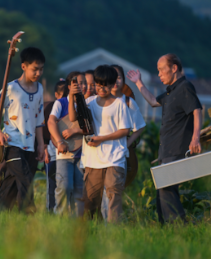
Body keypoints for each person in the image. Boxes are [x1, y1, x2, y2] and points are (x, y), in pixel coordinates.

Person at [127, 54, 202, 224]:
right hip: (166, 148)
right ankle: (167, 227)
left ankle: (177, 227)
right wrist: (138, 82)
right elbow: (153, 101)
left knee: (167, 187)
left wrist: (195, 138)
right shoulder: (172, 90)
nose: (159, 74)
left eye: (161, 69)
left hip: (177, 147)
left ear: (174, 68)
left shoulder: (185, 87)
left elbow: (197, 110)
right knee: (162, 188)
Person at [69, 65, 131, 222]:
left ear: (112, 85)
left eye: (105, 85)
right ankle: (90, 232)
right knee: (90, 199)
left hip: (114, 158)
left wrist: (101, 138)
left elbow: (124, 130)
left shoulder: (119, 104)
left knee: (113, 195)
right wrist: (71, 95)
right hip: (93, 160)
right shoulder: (88, 101)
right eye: (98, 85)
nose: (101, 88)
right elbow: (72, 117)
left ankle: (113, 232)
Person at [0, 47, 45, 213]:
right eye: (35, 69)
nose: (38, 73)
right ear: (23, 66)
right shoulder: (11, 88)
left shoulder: (40, 89)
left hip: (30, 145)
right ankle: (28, 215)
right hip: (12, 143)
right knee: (26, 178)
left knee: (11, 183)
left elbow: (39, 119)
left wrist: (41, 145)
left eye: (41, 69)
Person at [101, 64, 146, 219]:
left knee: (113, 192)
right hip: (99, 154)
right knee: (100, 195)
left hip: (119, 155)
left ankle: (112, 229)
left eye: (118, 77)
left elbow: (139, 127)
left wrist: (126, 144)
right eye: (112, 77)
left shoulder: (128, 102)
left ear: (123, 80)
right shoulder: (98, 101)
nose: (115, 80)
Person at [48, 71, 86, 216]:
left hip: (82, 153)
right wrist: (59, 141)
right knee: (64, 187)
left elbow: (91, 128)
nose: (81, 86)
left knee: (79, 189)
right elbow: (51, 122)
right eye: (78, 83)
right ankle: (61, 219)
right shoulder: (61, 102)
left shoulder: (87, 102)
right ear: (69, 86)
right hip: (64, 153)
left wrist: (76, 130)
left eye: (84, 83)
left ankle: (77, 224)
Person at [44, 79, 66, 211]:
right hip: (52, 153)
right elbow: (46, 132)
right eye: (63, 95)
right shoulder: (52, 110)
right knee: (51, 184)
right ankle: (50, 209)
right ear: (57, 95)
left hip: (67, 153)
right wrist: (46, 150)